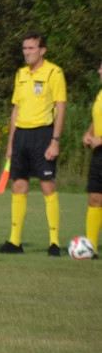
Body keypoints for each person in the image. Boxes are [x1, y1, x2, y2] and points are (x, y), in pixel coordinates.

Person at [0, 31, 66, 256]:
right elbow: (15, 109)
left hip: (42, 134)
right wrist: (10, 143)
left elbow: (60, 107)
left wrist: (55, 140)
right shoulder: (21, 74)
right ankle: (15, 242)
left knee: (47, 185)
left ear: (42, 50)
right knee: (18, 185)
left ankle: (54, 242)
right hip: (21, 136)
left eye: (31, 48)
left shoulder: (54, 72)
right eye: (25, 48)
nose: (27, 52)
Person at [83, 59, 102, 255]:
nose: (99, 70)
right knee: (95, 197)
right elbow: (97, 119)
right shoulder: (100, 94)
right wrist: (89, 134)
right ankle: (91, 248)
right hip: (98, 154)